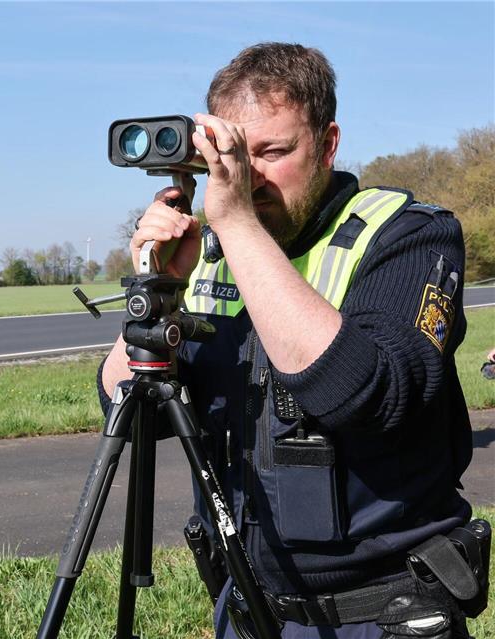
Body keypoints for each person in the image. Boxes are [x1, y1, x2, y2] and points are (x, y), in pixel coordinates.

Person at [98, 43, 483, 638]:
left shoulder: (408, 235)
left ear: (328, 144)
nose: (247, 176)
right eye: (232, 153)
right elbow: (128, 410)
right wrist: (160, 286)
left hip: (382, 611)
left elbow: (371, 397)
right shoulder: (209, 255)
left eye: (273, 152)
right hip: (249, 606)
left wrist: (235, 223)